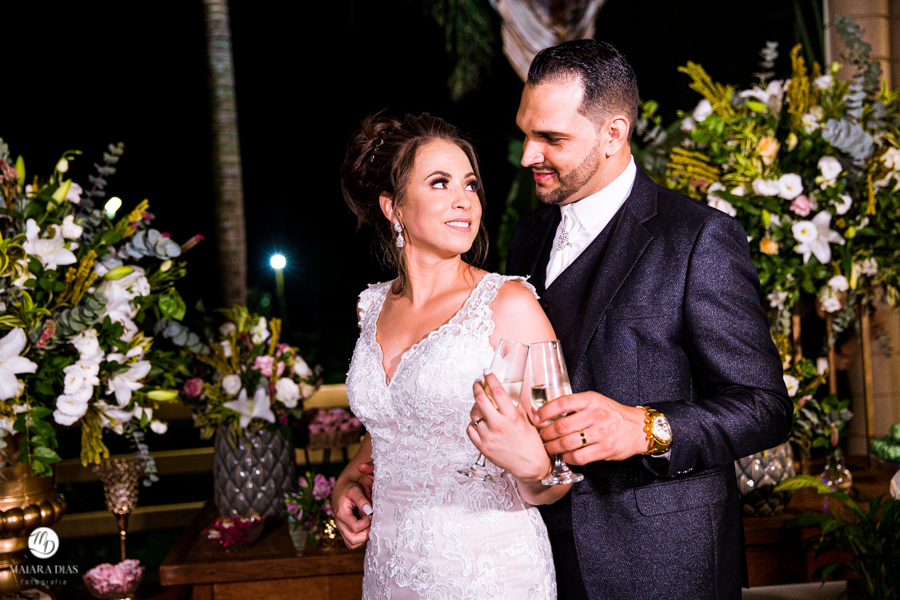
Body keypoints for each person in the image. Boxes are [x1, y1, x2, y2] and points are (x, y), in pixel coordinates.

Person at [506, 40, 793, 599]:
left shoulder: (699, 238)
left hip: (668, 563)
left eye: (551, 139)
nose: (527, 155)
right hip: (543, 554)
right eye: (526, 132)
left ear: (614, 133)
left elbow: (765, 408)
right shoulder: (529, 235)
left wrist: (644, 427)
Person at [333, 112, 567, 599]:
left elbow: (558, 471)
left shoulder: (509, 306)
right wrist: (350, 478)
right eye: (440, 183)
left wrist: (537, 467)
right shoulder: (370, 307)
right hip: (389, 568)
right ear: (393, 207)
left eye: (471, 185)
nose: (464, 201)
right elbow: (391, 426)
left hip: (489, 568)